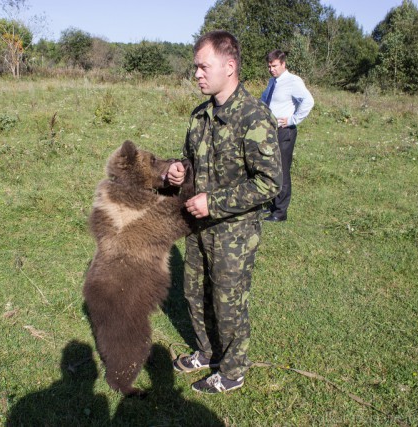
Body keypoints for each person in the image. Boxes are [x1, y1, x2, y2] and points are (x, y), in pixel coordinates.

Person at [167, 30, 282, 394]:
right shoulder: (200, 116)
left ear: (229, 66)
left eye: (204, 67)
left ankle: (232, 371)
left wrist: (213, 203)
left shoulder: (253, 116)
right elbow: (191, 157)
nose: (197, 74)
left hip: (233, 233)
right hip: (198, 227)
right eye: (195, 68)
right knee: (194, 292)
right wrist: (179, 169)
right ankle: (208, 352)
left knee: (228, 303)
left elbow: (269, 183)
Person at [260, 49, 314, 222]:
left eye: (274, 66)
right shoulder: (272, 81)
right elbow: (265, 101)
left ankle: (280, 212)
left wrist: (292, 119)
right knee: (270, 167)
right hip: (270, 131)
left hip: (284, 131)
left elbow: (308, 101)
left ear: (283, 64)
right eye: (269, 66)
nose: (271, 69)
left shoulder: (293, 81)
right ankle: (273, 204)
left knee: (282, 170)